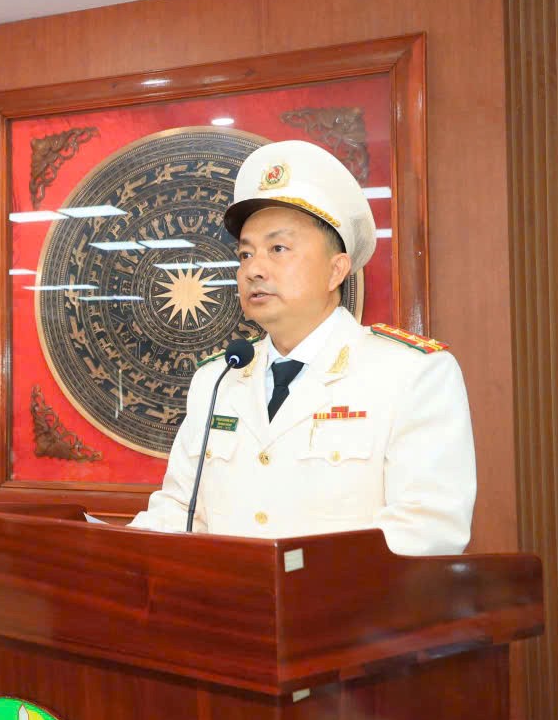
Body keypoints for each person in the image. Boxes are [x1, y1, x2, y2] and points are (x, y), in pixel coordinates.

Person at [128, 139, 476, 556]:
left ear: (335, 270)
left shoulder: (411, 374)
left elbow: (428, 531)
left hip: (342, 599)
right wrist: (100, 550)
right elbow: (180, 513)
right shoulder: (217, 379)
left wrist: (292, 577)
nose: (254, 269)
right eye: (245, 254)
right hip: (229, 598)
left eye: (278, 249)